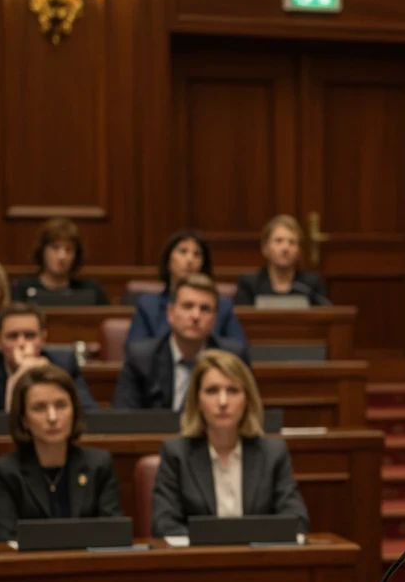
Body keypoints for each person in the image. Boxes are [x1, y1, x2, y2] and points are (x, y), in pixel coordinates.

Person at [151, 349, 308, 537]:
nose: (223, 401)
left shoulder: (272, 453)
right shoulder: (176, 453)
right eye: (212, 391)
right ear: (197, 401)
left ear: (247, 400)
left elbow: (297, 521)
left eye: (232, 390)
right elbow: (164, 524)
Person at [0, 363, 122, 541]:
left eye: (61, 405)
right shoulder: (5, 471)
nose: (52, 417)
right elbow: (4, 538)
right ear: (24, 419)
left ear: (74, 411)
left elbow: (113, 534)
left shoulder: (98, 464)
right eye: (39, 408)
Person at [0, 302, 99, 435]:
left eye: (30, 335)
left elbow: (93, 417)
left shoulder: (63, 364)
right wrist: (17, 380)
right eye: (13, 336)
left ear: (43, 339)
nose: (22, 343)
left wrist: (49, 376)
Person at [114, 274, 250, 410]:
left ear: (214, 319)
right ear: (170, 313)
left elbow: (249, 415)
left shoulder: (233, 357)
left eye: (205, 309)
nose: (196, 316)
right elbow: (124, 419)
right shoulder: (141, 359)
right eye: (188, 306)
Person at [125, 229, 246, 345]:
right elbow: (136, 351)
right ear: (168, 260)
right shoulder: (148, 306)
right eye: (183, 251)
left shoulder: (223, 306)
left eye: (197, 254)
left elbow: (238, 351)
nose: (190, 259)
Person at [234, 215, 330, 306]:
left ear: (299, 251)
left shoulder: (310, 284)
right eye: (278, 241)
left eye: (292, 242)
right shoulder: (249, 284)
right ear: (265, 248)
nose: (285, 248)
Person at [11, 218, 110, 305]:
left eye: (69, 249)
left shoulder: (91, 289)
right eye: (55, 248)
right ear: (42, 250)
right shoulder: (21, 289)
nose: (62, 256)